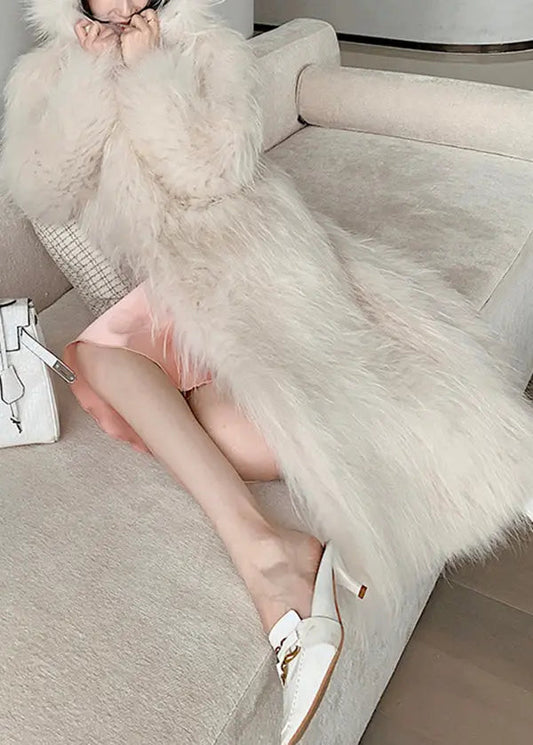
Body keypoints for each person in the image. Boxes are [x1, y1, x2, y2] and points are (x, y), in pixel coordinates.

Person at [2, 2, 532, 742]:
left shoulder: (207, 48)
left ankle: (295, 543)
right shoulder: (46, 73)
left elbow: (213, 176)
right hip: (142, 297)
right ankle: (266, 551)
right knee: (103, 354)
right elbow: (43, 193)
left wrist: (151, 75)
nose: (119, 8)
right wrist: (87, 82)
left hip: (236, 255)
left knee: (239, 431)